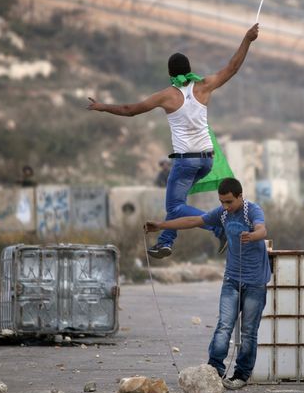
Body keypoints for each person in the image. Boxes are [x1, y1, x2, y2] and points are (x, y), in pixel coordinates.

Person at [89, 24, 260, 258]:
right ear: (190, 69)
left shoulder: (166, 95)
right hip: (207, 160)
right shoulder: (204, 86)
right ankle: (165, 242)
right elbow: (233, 67)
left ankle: (217, 225)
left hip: (186, 161)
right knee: (177, 203)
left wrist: (102, 107)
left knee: (174, 207)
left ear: (170, 74)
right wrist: (247, 39)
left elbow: (130, 110)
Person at [144, 178, 268, 390]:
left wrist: (253, 236)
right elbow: (193, 221)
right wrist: (161, 225)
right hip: (231, 279)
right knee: (224, 326)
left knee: (248, 331)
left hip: (255, 281)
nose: (226, 207)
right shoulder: (221, 214)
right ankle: (214, 370)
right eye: (222, 202)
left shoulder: (252, 210)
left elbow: (262, 230)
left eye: (229, 202)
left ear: (240, 196)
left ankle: (241, 374)